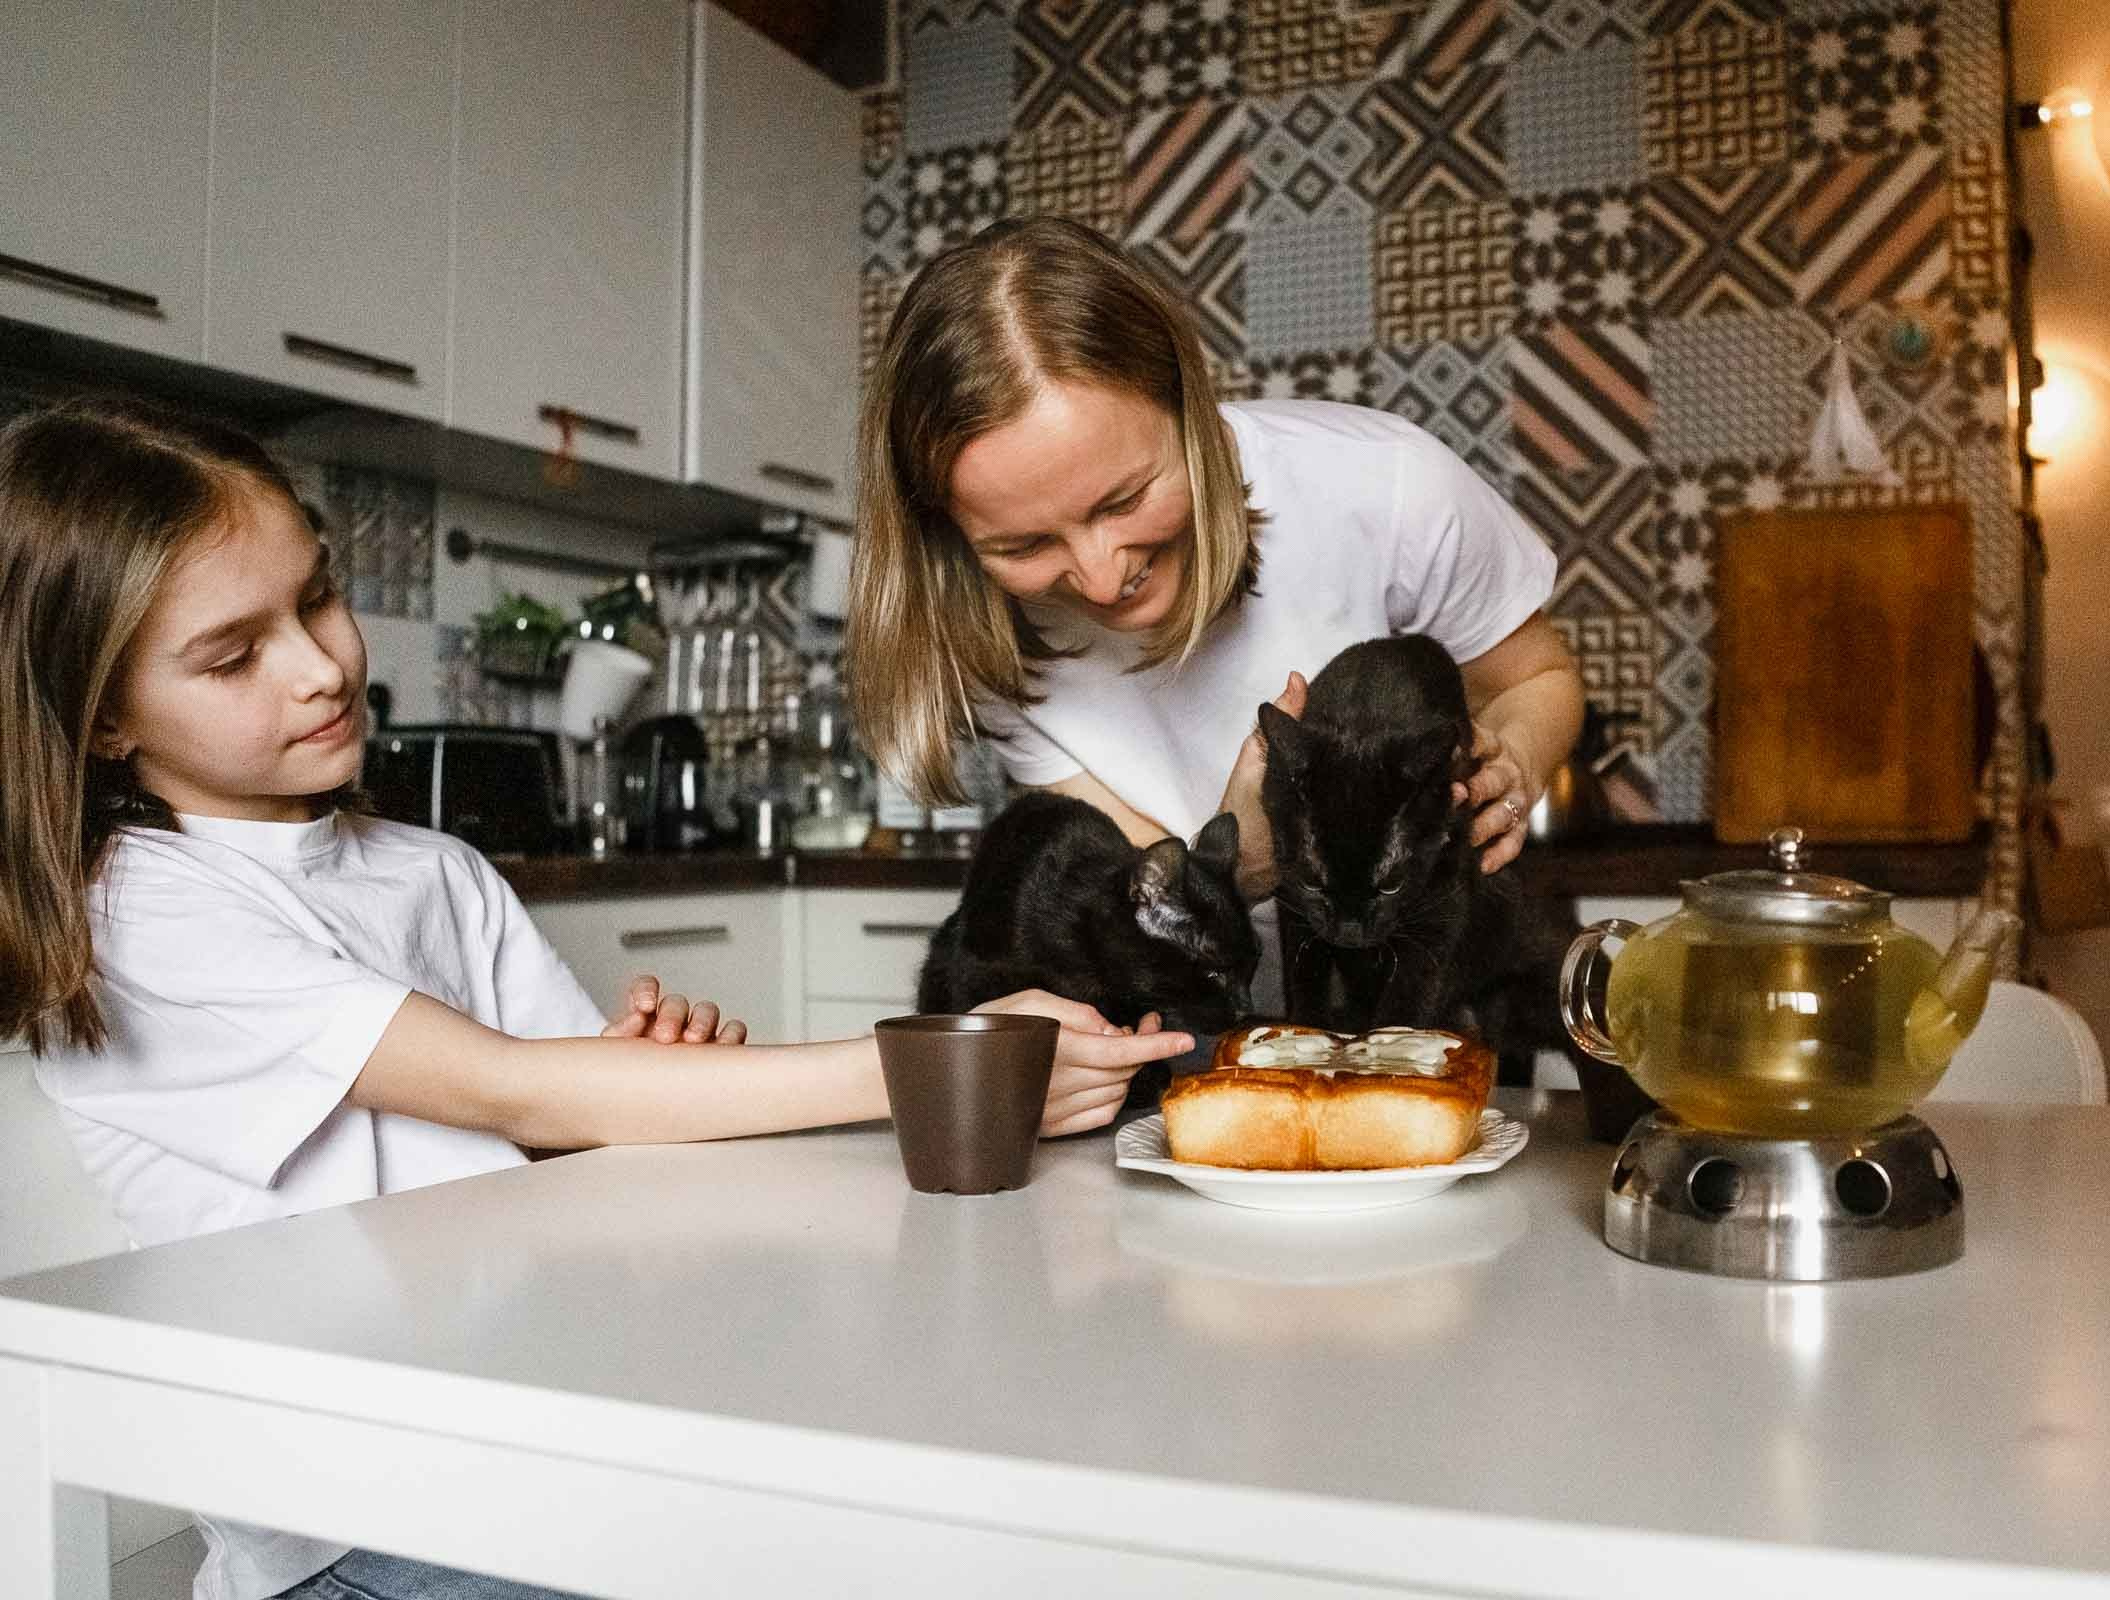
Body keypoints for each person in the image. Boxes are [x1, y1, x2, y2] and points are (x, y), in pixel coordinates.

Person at [0, 396, 1191, 1600]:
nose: (322, 666)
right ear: (102, 715)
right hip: (358, 1524)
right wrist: (953, 1062)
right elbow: (510, 1082)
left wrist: (641, 1086)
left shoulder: (435, 871)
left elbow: (563, 1116)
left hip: (540, 1438)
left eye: (315, 598)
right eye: (233, 653)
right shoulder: (140, 910)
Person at [847, 217, 1586, 993]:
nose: (1100, 579)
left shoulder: (1387, 487)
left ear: (1189, 407)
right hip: (1201, 1029)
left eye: (1125, 498)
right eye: (1024, 546)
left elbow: (1536, 680)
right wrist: (1245, 862)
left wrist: (1516, 761)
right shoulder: (986, 624)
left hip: (1415, 1001)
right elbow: (1146, 914)